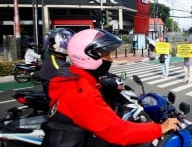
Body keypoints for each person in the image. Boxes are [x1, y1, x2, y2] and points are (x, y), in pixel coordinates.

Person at [41, 29, 180, 147]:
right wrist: (160, 128)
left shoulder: (73, 80)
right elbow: (120, 132)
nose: (111, 59)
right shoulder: (82, 93)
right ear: (88, 56)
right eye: (106, 54)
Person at [38, 28, 75, 97]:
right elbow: (69, 74)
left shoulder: (53, 57)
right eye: (68, 43)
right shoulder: (58, 64)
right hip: (59, 101)